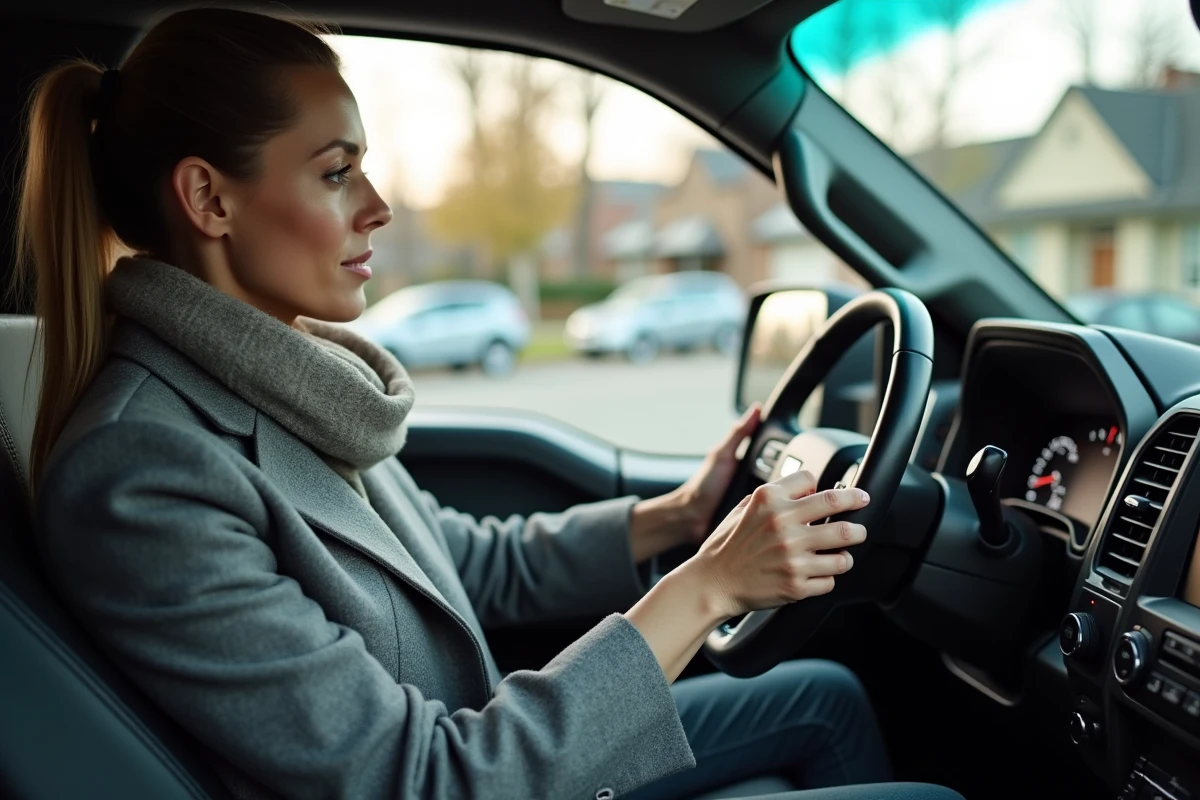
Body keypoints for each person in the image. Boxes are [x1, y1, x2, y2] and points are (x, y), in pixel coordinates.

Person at [14, 8, 964, 800]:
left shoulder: (283, 379)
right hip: (470, 773)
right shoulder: (141, 471)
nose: (379, 204)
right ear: (209, 200)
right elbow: (420, 778)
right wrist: (706, 585)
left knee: (827, 695)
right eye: (337, 171)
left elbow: (462, 566)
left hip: (491, 749)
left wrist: (679, 517)